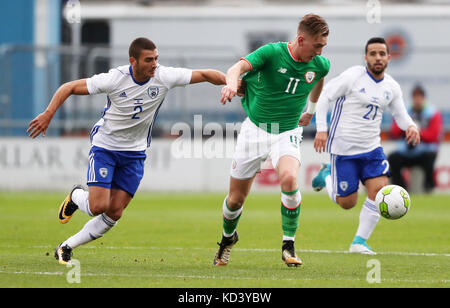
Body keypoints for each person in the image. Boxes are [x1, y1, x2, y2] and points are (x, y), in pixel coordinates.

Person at [27, 37, 228, 265]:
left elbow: (205, 74)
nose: (155, 64)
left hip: (135, 153)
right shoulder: (115, 78)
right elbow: (69, 87)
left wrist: (229, 83)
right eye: (149, 60)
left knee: (115, 212)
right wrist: (48, 114)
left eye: (156, 58)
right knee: (98, 207)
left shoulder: (164, 76)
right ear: (133, 61)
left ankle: (66, 246)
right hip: (106, 147)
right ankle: (75, 195)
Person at [214, 14, 330, 267]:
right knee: (235, 200)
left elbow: (319, 79)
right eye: (317, 46)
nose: (320, 52)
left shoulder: (320, 64)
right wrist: (231, 85)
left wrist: (310, 109)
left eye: (323, 47)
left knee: (289, 178)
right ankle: (226, 239)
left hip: (286, 133)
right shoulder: (271, 53)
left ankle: (288, 245)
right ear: (301, 39)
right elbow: (237, 68)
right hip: (254, 131)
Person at [311, 37, 420, 255]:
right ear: (365, 57)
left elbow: (400, 114)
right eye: (373, 53)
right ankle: (327, 177)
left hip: (372, 149)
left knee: (379, 192)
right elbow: (324, 96)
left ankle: (359, 242)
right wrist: (322, 129)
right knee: (347, 203)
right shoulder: (352, 77)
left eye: (381, 53)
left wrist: (411, 126)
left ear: (389, 58)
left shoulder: (391, 86)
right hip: (344, 150)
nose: (377, 58)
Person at [388, 85, 443, 192]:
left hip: (423, 151)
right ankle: (401, 189)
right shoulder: (404, 112)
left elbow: (434, 135)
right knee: (393, 159)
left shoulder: (432, 113)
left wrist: (417, 132)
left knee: (430, 157)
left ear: (424, 98)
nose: (417, 100)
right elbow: (394, 132)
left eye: (420, 97)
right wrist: (406, 130)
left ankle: (428, 187)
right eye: (415, 97)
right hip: (405, 151)